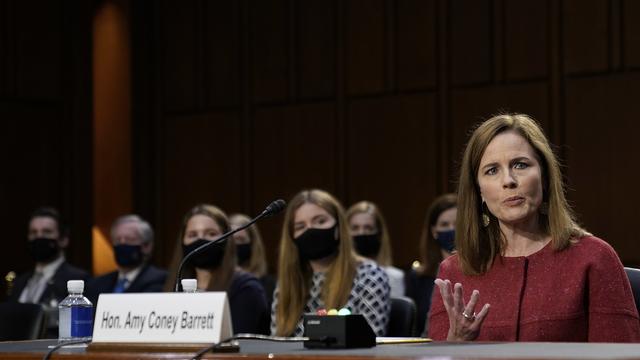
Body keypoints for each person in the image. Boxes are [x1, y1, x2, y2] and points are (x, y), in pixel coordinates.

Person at [428, 113, 640, 342]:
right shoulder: (455, 272)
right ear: (479, 191)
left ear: (545, 176)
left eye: (520, 165)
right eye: (492, 170)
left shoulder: (594, 258)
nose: (508, 180)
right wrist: (456, 342)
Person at [271, 189, 391, 337]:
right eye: (300, 227)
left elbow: (370, 341)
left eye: (320, 221)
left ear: (339, 227)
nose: (311, 230)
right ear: (292, 237)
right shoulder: (287, 283)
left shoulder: (369, 275)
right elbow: (276, 342)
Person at [163, 204, 270, 335]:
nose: (201, 239)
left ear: (227, 240)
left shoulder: (246, 288)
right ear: (182, 242)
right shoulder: (175, 285)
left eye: (211, 233)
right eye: (192, 234)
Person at [9, 207, 90, 337]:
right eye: (33, 233)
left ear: (63, 240)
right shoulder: (20, 281)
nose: (39, 237)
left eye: (46, 232)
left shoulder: (79, 279)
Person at [405, 193, 456, 336]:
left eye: (457, 224)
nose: (452, 229)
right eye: (445, 225)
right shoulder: (418, 277)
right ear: (434, 231)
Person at [86, 215, 167, 305]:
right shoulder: (96, 284)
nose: (122, 244)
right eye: (117, 240)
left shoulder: (160, 280)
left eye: (129, 239)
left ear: (146, 246)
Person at [346, 201, 404, 297]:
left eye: (368, 228)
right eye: (355, 228)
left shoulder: (394, 277)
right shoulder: (336, 276)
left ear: (379, 234)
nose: (361, 233)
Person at [229, 213, 276, 308]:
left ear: (252, 244)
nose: (234, 245)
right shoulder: (217, 281)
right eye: (231, 240)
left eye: (240, 239)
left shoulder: (269, 284)